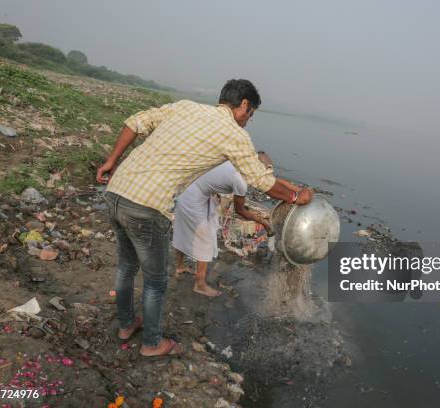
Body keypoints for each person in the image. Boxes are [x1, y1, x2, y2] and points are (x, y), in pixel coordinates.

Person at [96, 79, 313, 357]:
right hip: (145, 206)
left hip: (115, 192)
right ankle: (151, 343)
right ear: (244, 105)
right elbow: (259, 178)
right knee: (155, 280)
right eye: (251, 114)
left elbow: (135, 122)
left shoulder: (185, 107)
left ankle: (126, 324)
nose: (248, 121)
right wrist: (295, 198)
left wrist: (111, 161)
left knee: (126, 268)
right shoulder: (234, 134)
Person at [174, 152, 290, 297]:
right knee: (205, 240)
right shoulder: (240, 181)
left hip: (187, 189)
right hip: (194, 199)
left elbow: (272, 181)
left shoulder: (234, 163)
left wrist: (295, 193)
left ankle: (179, 267)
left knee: (183, 231)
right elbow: (240, 211)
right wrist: (264, 223)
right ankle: (200, 284)